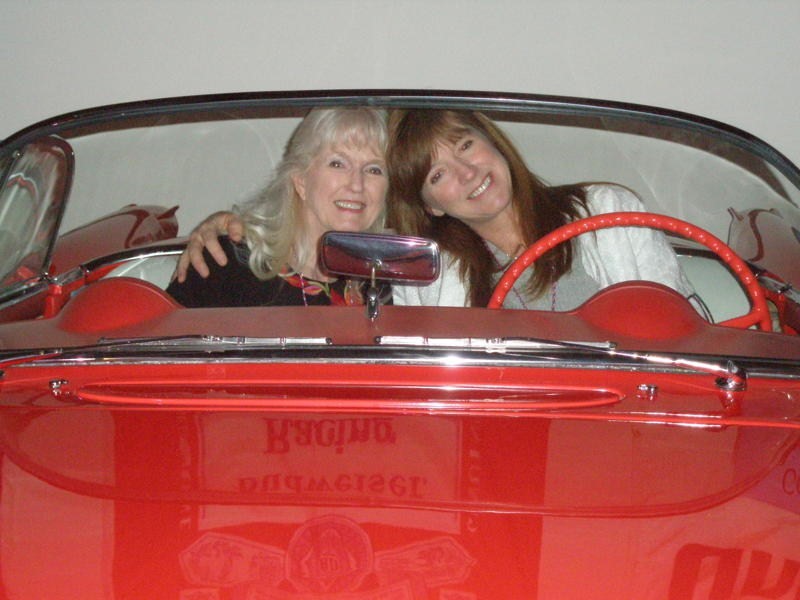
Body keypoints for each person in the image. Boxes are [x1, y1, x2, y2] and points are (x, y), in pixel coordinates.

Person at [176, 108, 698, 312]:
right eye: (438, 173)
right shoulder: (426, 271)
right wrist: (224, 225)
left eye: (465, 147)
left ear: (493, 142)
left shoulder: (388, 278)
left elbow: (685, 331)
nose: (467, 174)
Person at [167, 106, 390, 307]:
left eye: (374, 169)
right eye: (337, 164)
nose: (357, 185)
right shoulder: (227, 263)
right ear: (300, 180)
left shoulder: (382, 286)